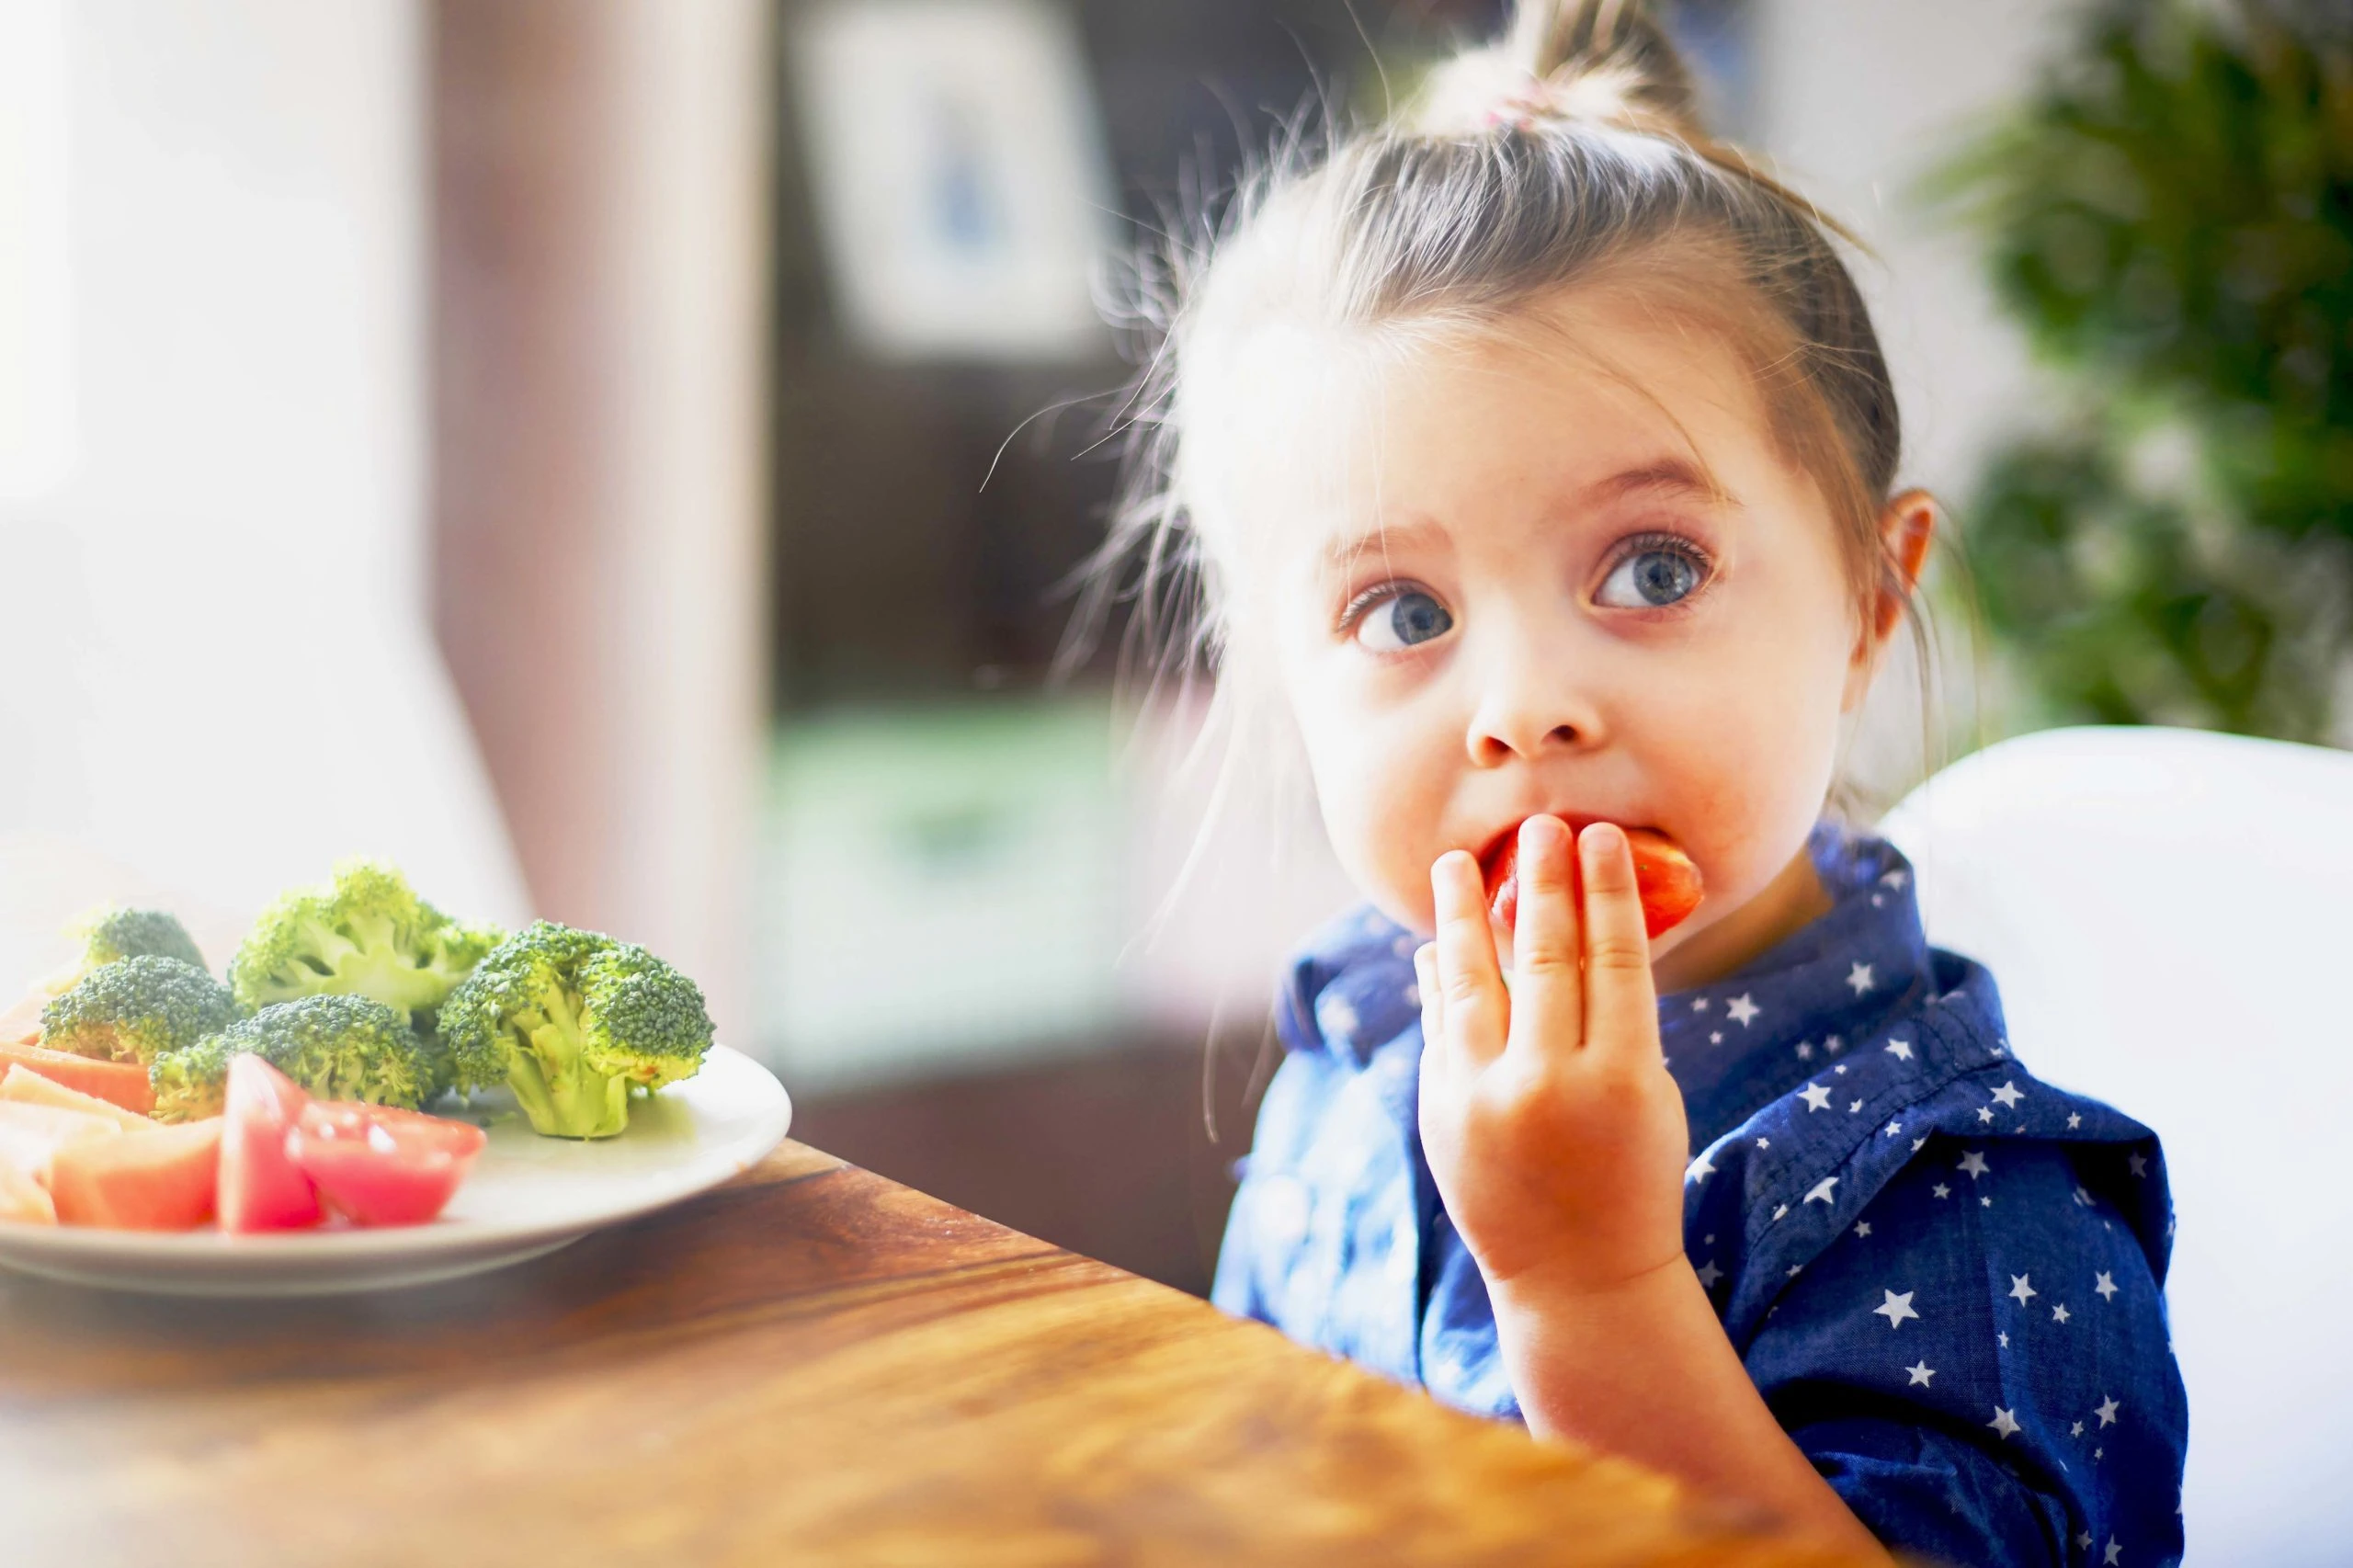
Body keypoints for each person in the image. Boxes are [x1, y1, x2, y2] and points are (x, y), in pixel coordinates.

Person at [1086, 3, 2189, 1562]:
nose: (1526, 707)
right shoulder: (1351, 1046)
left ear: (1871, 606)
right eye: (1405, 614)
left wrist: (1590, 1289)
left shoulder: (1974, 1206)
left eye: (1652, 567)